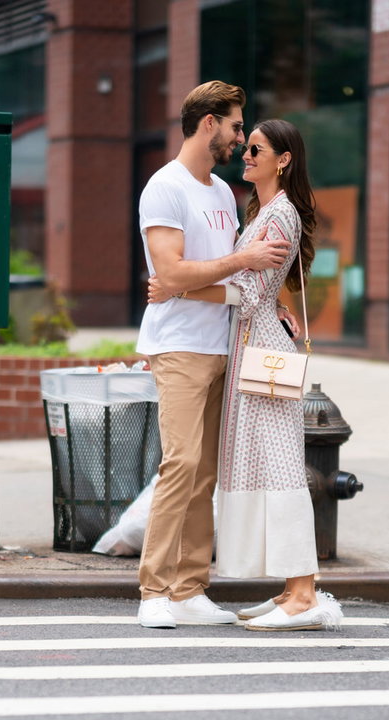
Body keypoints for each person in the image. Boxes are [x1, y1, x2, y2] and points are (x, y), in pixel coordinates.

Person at [149, 118, 343, 631]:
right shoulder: (262, 210)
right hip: (250, 347)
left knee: (280, 469)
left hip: (260, 353)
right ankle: (289, 590)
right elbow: (262, 285)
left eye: (255, 149)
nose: (245, 154)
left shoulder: (278, 215)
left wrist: (177, 288)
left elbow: (251, 293)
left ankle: (303, 594)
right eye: (246, 146)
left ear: (284, 159)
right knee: (263, 468)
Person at [136, 81, 292, 629]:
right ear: (208, 123)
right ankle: (153, 590)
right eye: (234, 125)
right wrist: (242, 257)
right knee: (179, 465)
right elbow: (171, 271)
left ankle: (189, 588)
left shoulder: (223, 194)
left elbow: (227, 279)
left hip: (224, 345)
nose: (239, 137)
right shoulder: (165, 187)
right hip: (179, 347)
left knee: (206, 474)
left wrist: (263, 292)